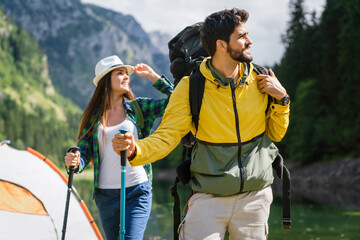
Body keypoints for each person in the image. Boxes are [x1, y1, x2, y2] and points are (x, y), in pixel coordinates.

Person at [113, 8, 290, 240]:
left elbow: (276, 134)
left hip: (255, 199)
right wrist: (137, 149)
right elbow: (167, 136)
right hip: (208, 198)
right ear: (222, 45)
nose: (249, 41)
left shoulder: (262, 80)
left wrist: (282, 99)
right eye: (241, 36)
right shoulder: (190, 87)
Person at [64, 55, 173, 240]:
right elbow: (84, 152)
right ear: (107, 80)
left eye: (127, 74)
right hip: (105, 196)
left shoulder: (139, 107)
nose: (126, 77)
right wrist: (75, 162)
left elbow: (177, 101)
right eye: (120, 73)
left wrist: (154, 77)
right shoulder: (93, 116)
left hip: (136, 190)